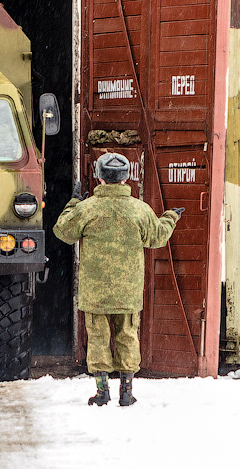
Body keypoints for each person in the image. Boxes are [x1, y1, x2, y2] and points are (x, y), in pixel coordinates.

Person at [53, 152, 182, 407]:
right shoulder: (139, 209)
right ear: (126, 179)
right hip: (128, 290)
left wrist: (72, 203)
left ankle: (102, 392)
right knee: (127, 335)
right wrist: (171, 217)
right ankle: (126, 391)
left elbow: (63, 231)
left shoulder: (86, 208)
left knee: (98, 337)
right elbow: (157, 238)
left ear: (99, 178)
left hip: (95, 290)